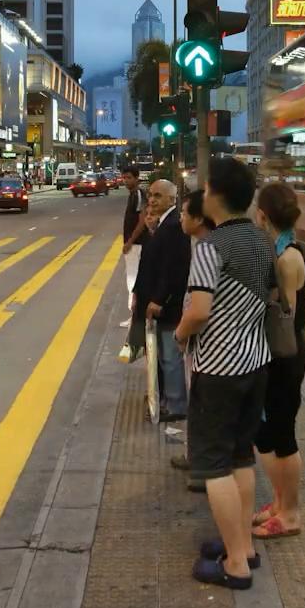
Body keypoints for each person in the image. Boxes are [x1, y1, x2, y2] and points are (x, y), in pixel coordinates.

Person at [175, 158, 275, 591]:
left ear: (215, 194)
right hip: (255, 363)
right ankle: (245, 546)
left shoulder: (210, 248)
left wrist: (180, 335)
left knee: (213, 464)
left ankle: (235, 563)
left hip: (217, 368)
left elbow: (199, 311)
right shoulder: (260, 241)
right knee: (240, 456)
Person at [251, 180, 305, 542]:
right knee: (270, 434)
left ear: (262, 215)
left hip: (283, 356)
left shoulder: (286, 258)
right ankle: (279, 502)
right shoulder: (286, 249)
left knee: (281, 437)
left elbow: (281, 313)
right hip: (284, 353)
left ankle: (290, 514)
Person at [132, 180, 185, 431]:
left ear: (172, 200)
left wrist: (158, 300)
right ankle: (166, 398)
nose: (151, 200)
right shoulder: (163, 224)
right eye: (150, 195)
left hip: (167, 305)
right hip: (158, 302)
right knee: (163, 355)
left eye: (157, 196)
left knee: (170, 357)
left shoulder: (174, 226)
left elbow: (171, 270)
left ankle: (175, 405)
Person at [119, 166, 148, 328]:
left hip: (137, 244)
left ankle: (136, 317)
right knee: (133, 280)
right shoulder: (133, 195)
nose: (126, 181)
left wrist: (130, 241)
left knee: (133, 280)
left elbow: (142, 219)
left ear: (137, 178)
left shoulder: (137, 194)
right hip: (134, 244)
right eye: (124, 178)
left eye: (129, 178)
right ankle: (135, 316)